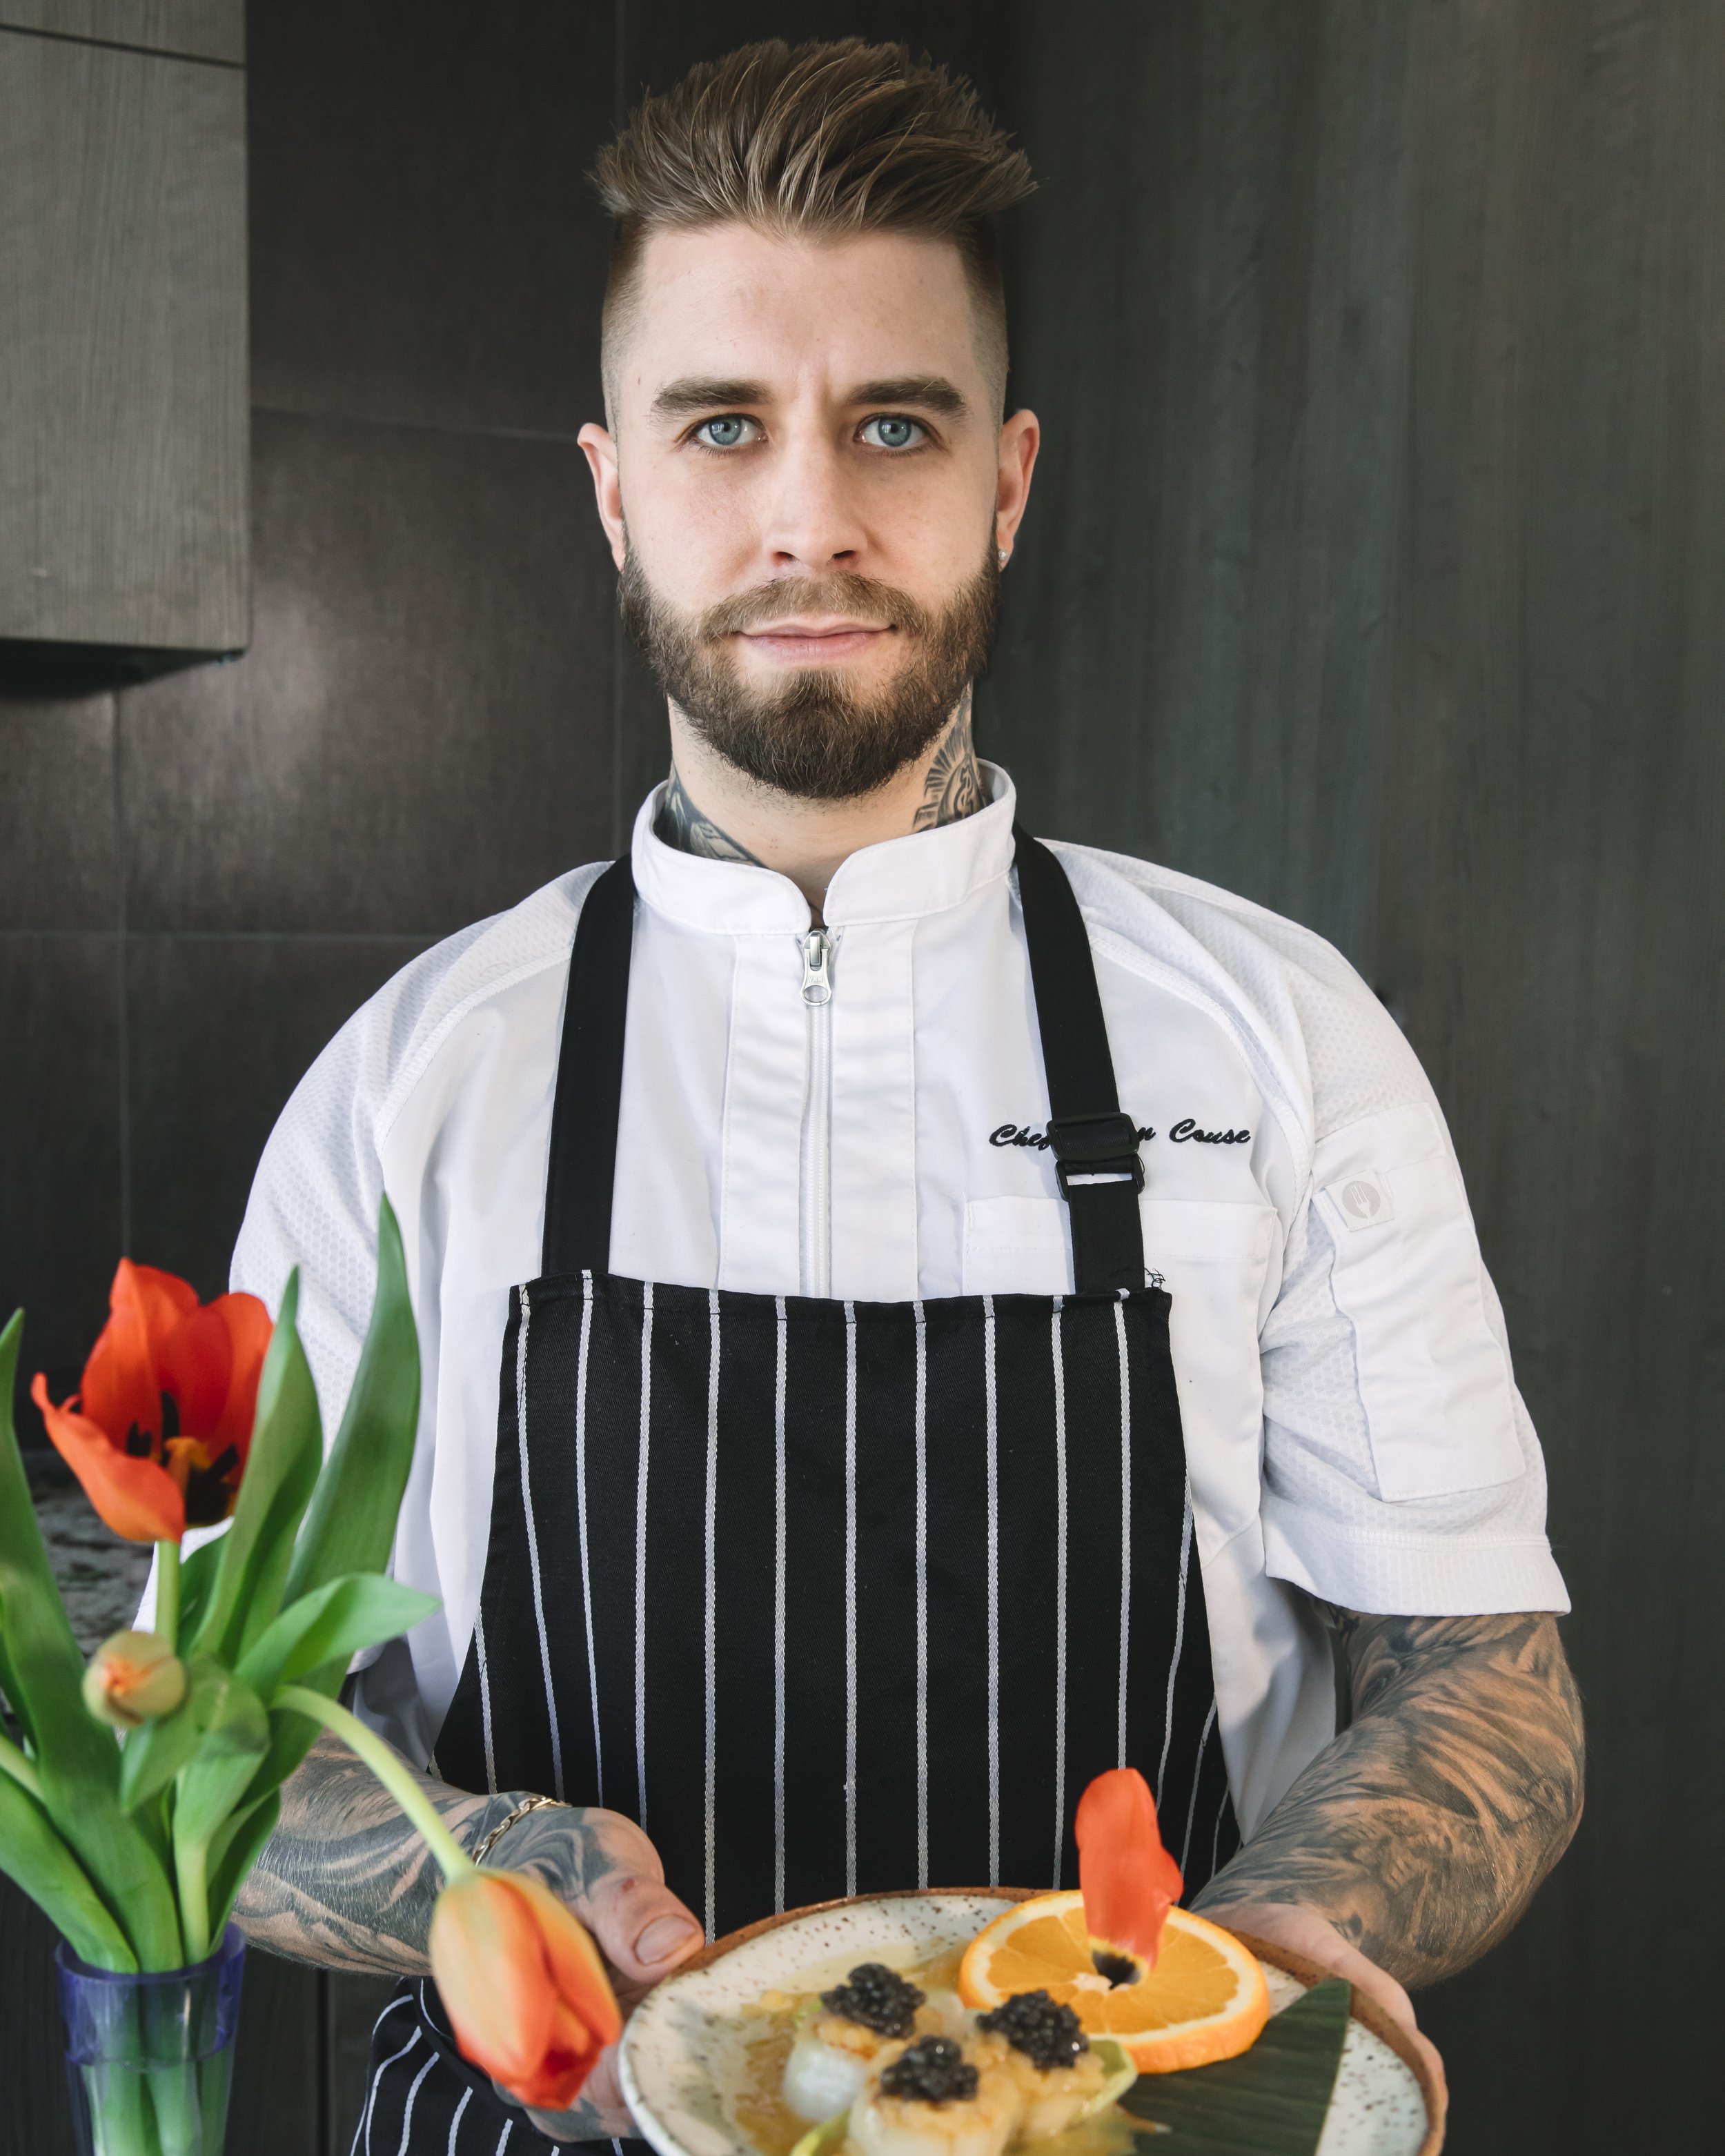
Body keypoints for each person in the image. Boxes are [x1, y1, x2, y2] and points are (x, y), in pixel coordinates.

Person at [230, 38, 1584, 2152]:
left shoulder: (1275, 1030)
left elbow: (1487, 1675)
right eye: (720, 427)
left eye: (893, 425)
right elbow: (226, 1726)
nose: (811, 516)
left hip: (1126, 2111)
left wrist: (1277, 1941)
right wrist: (471, 1867)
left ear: (1007, 481)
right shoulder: (410, 1085)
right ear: (613, 490)